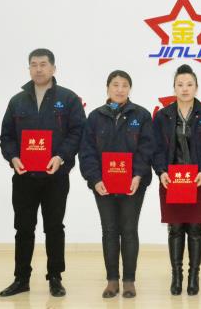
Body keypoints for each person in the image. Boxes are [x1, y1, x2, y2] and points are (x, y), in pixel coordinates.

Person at [0, 48, 85, 298]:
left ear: (53, 68)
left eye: (43, 64)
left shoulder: (68, 99)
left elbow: (77, 132)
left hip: (55, 176)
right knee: (23, 228)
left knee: (54, 227)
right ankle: (21, 278)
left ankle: (55, 277)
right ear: (29, 69)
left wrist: (61, 157)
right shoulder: (17, 101)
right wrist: (13, 157)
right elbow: (6, 136)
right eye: (34, 65)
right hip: (24, 176)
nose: (38, 69)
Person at [79, 70, 155, 298]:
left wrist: (138, 175)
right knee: (110, 231)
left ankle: (129, 280)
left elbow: (147, 149)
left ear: (130, 89)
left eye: (124, 85)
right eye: (115, 84)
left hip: (133, 184)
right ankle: (112, 280)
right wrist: (95, 179)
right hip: (103, 185)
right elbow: (87, 151)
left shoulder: (141, 115)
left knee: (129, 231)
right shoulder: (95, 117)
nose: (120, 89)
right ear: (108, 88)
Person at [152, 64, 201, 296]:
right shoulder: (163, 116)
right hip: (171, 180)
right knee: (175, 228)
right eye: (180, 84)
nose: (184, 88)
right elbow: (156, 148)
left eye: (189, 84)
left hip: (198, 180)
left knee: (195, 227)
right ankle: (177, 276)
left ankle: (193, 276)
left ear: (196, 87)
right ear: (174, 88)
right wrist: (161, 171)